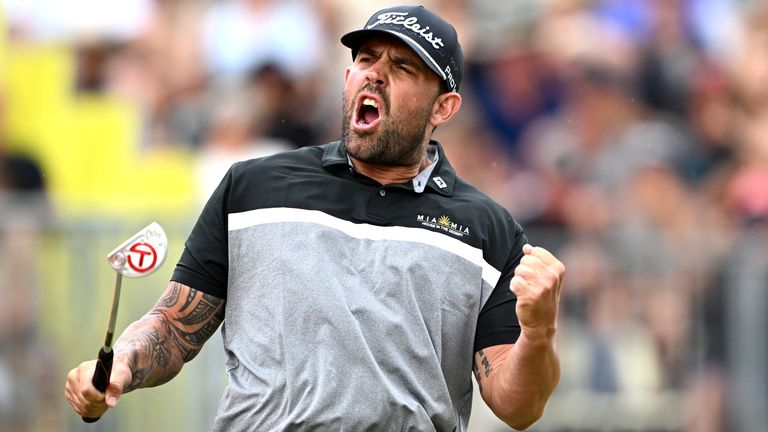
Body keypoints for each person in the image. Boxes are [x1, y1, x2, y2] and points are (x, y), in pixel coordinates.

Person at [65, 5, 564, 431]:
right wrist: (122, 365)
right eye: (366, 58)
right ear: (348, 75)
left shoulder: (488, 229)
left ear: (444, 107)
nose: (375, 73)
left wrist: (538, 333)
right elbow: (174, 327)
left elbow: (518, 406)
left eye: (404, 68)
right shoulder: (253, 186)